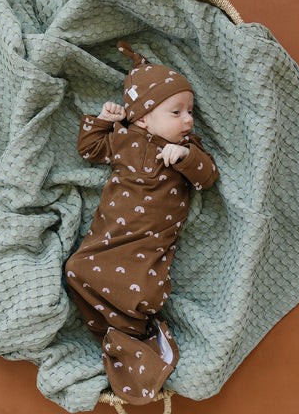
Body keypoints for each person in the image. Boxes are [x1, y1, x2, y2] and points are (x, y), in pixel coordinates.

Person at [65, 41, 219, 405]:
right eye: (177, 112)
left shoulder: (188, 151)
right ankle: (119, 336)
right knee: (75, 269)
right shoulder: (125, 140)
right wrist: (104, 120)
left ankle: (134, 333)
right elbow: (89, 149)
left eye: (189, 111)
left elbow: (208, 177)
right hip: (109, 241)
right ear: (144, 118)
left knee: (140, 293)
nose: (188, 120)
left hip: (147, 249)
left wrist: (184, 157)